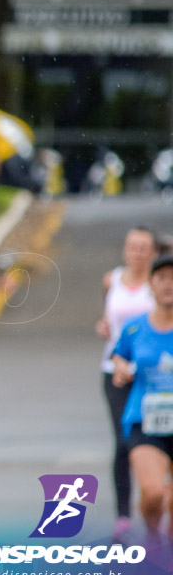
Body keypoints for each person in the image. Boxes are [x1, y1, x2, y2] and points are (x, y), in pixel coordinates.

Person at [96, 226, 159, 540]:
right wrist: (104, 325)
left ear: (152, 252)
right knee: (124, 441)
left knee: (157, 439)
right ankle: (123, 514)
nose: (136, 253)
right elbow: (108, 318)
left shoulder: (160, 285)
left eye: (143, 248)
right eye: (132, 247)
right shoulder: (112, 280)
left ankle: (156, 502)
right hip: (116, 370)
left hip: (157, 374)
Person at [110, 254, 173, 542]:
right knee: (153, 493)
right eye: (161, 278)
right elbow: (118, 357)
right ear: (151, 284)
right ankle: (152, 536)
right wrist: (121, 370)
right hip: (145, 421)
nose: (168, 284)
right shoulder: (135, 327)